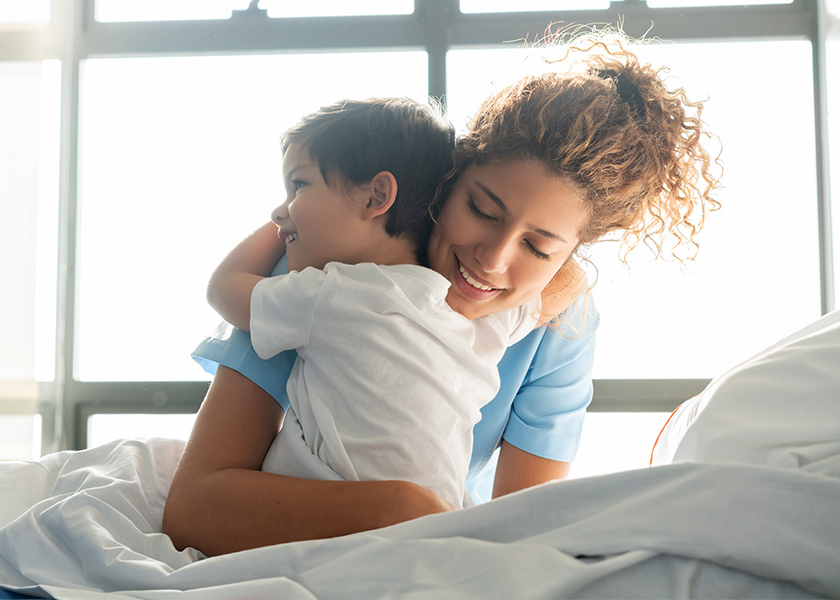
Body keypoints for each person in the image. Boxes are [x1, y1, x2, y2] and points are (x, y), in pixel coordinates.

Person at [163, 30, 721, 557]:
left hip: (436, 543)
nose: (493, 258)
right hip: (329, 528)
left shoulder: (557, 323)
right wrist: (398, 509)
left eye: (540, 247)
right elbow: (193, 509)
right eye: (481, 210)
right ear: (446, 183)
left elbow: (522, 531)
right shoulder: (323, 274)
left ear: (569, 256)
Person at [208, 98, 543, 510]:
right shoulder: (483, 319)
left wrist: (281, 229)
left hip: (329, 530)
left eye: (298, 185)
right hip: (444, 523)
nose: (280, 211)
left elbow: (224, 288)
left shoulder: (329, 294)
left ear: (377, 195)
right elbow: (557, 292)